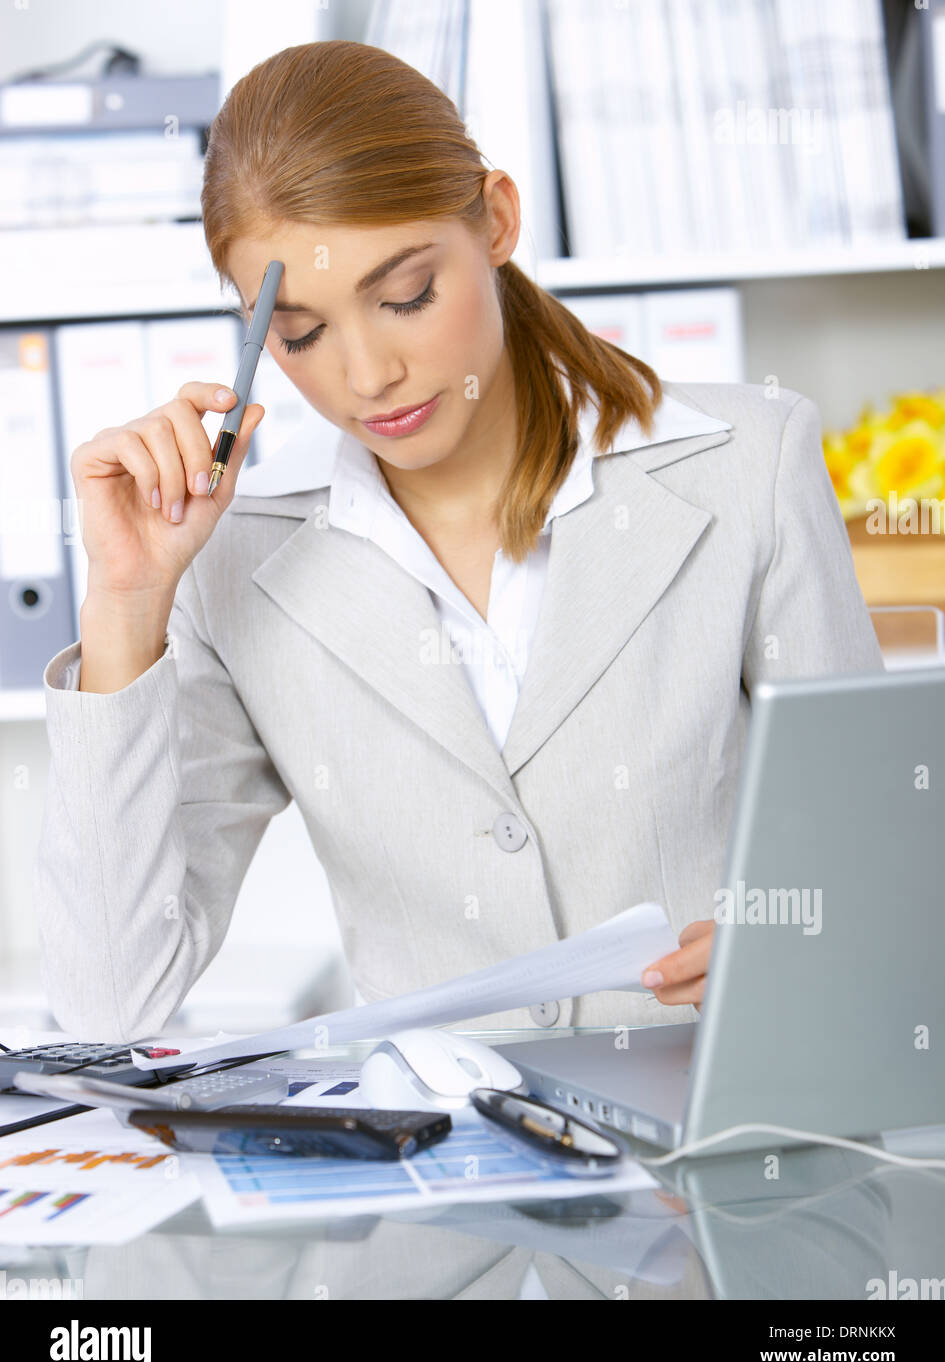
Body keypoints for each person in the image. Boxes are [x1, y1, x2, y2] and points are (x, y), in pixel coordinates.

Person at [34, 41, 884, 1043]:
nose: (368, 374)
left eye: (404, 297)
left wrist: (796, 942)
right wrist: (126, 607)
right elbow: (107, 1004)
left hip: (732, 1151)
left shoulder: (751, 464)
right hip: (440, 1181)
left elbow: (880, 877)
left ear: (498, 220)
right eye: (300, 335)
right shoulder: (236, 567)